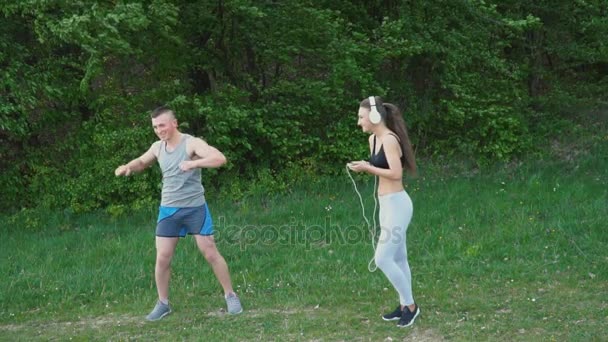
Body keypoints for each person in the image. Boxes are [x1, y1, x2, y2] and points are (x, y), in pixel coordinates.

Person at [114, 106, 242, 321]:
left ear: (174, 123)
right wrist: (128, 166)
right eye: (155, 126)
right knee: (162, 257)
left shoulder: (191, 143)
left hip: (195, 208)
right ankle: (163, 303)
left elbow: (219, 158)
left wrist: (194, 163)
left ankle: (230, 295)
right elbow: (142, 161)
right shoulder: (157, 147)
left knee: (209, 251)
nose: (158, 130)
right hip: (169, 210)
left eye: (162, 125)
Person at [347, 96, 419, 328]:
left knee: (382, 258)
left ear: (374, 116)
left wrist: (368, 168)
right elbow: (381, 168)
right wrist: (365, 166)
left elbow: (397, 174)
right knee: (399, 257)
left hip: (398, 204)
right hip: (385, 204)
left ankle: (411, 306)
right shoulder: (373, 140)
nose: (359, 122)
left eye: (361, 116)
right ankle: (403, 306)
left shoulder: (389, 139)